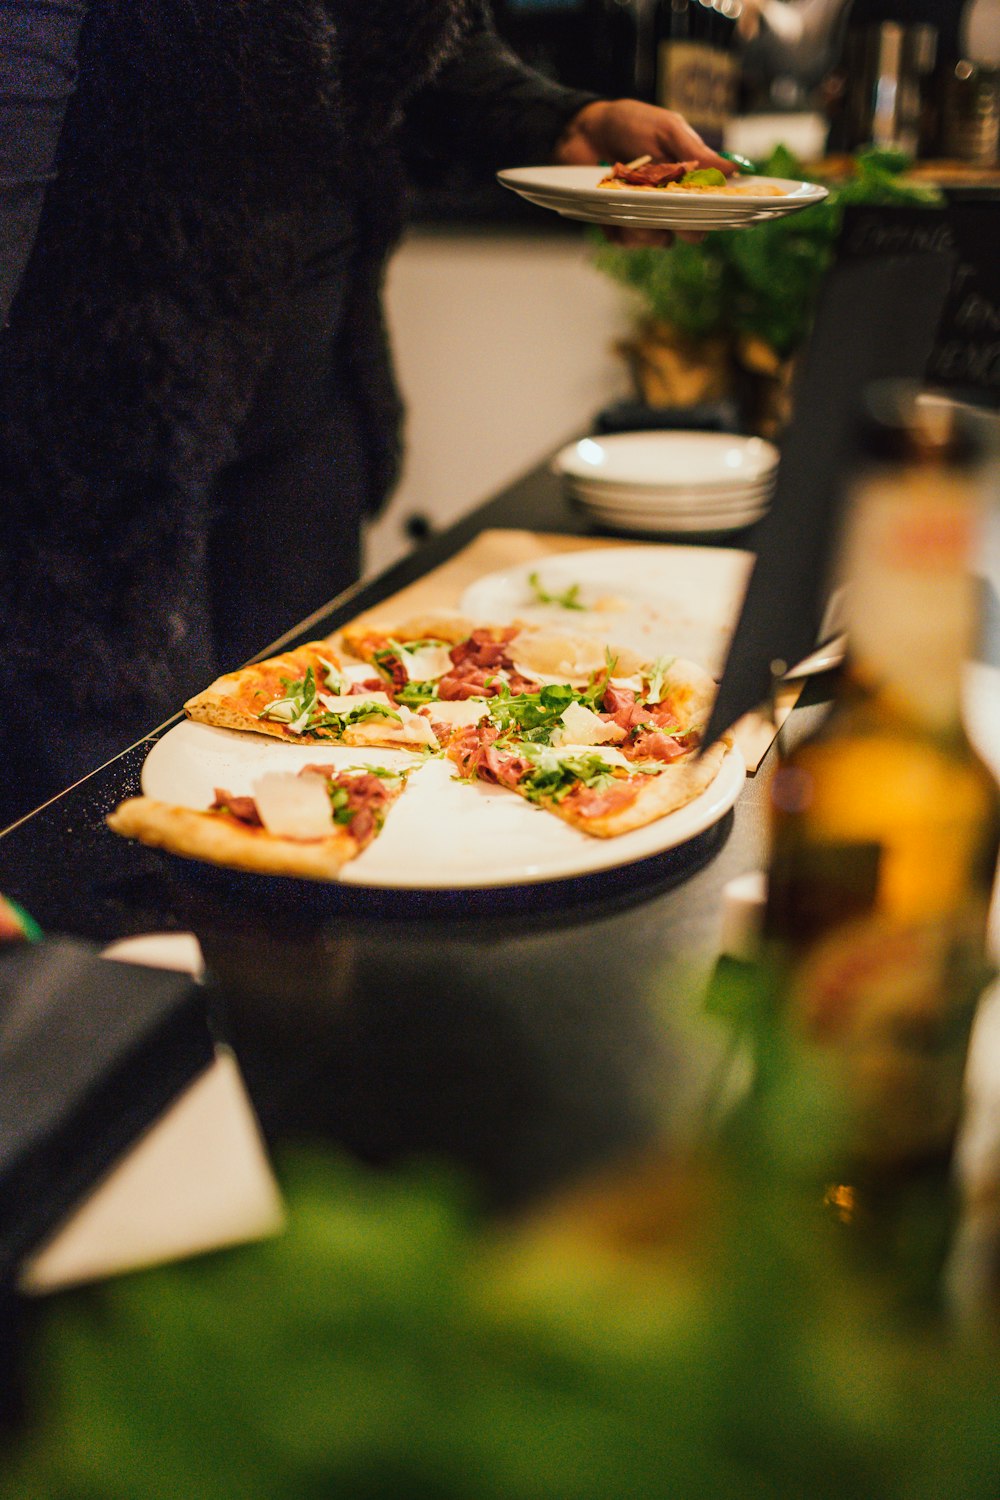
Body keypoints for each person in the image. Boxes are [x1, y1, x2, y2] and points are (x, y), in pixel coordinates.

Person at [0, 0, 731, 827]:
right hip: (90, 457)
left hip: (305, 407)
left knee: (320, 792)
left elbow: (406, 41)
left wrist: (564, 120)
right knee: (110, 836)